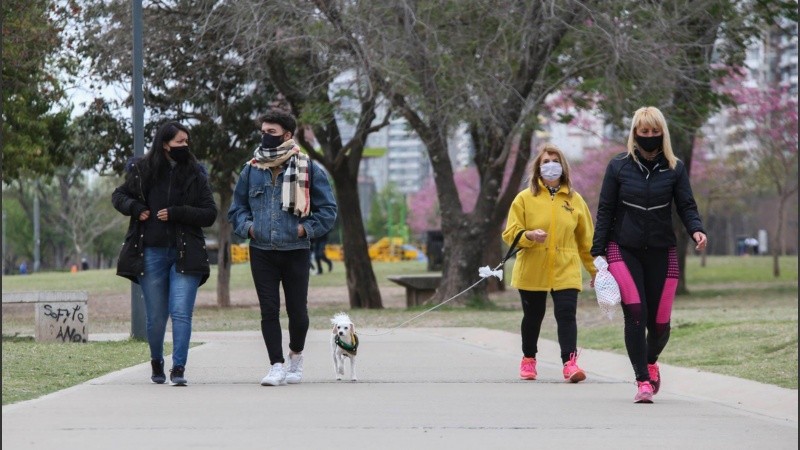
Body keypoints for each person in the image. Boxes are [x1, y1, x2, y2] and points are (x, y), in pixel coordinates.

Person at [591, 106, 707, 404]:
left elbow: (686, 205)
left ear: (662, 133)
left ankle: (651, 360)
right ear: (635, 133)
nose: (650, 136)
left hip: (661, 249)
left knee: (660, 323)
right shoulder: (618, 166)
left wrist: (696, 229)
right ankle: (642, 380)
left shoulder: (675, 168)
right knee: (636, 313)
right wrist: (597, 252)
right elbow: (605, 210)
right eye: (644, 131)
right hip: (623, 248)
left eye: (655, 131)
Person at [228, 109, 337, 386]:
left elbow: (327, 210)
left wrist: (304, 229)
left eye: (271, 132)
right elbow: (236, 209)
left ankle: (295, 357)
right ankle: (276, 366)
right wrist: (249, 228)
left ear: (287, 135)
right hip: (261, 250)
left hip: (296, 250)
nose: (265, 136)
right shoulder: (251, 169)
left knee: (298, 311)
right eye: (263, 131)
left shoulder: (308, 168)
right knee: (268, 310)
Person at [112, 121, 217, 386]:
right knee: (157, 317)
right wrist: (135, 208)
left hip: (187, 253)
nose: (185, 146)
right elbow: (118, 196)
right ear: (165, 144)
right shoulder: (142, 170)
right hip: (151, 252)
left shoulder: (195, 173)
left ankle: (178, 368)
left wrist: (178, 212)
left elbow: (209, 213)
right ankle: (156, 360)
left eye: (186, 141)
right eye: (179, 141)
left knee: (181, 313)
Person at [502, 143, 597, 384]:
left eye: (555, 161)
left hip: (565, 266)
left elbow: (586, 240)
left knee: (566, 314)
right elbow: (510, 233)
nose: (551, 165)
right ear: (538, 167)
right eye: (546, 161)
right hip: (533, 266)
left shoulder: (575, 200)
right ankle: (528, 359)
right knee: (533, 316)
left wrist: (595, 270)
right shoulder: (524, 198)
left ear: (563, 167)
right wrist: (529, 235)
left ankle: (570, 364)